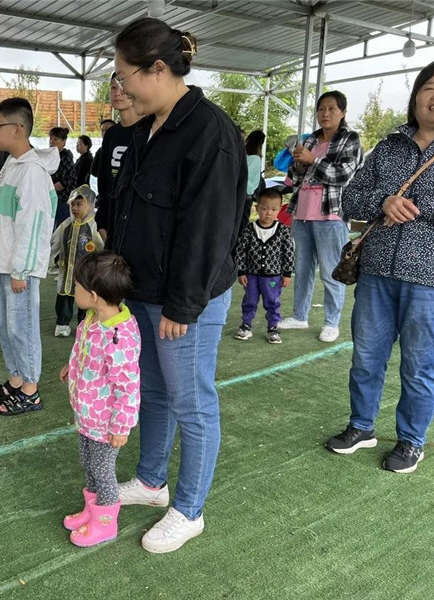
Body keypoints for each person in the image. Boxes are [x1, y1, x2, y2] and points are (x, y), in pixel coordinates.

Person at [108, 18, 246, 554]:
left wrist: (183, 305)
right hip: (144, 291)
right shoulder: (148, 127)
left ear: (158, 69)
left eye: (125, 77)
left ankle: (189, 510)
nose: (121, 89)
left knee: (192, 401)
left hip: (183, 299)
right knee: (155, 391)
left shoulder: (210, 132)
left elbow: (208, 229)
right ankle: (151, 482)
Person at [326, 60, 434, 474]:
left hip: (430, 280)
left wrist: (418, 206)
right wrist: (384, 202)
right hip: (375, 274)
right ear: (416, 96)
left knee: (420, 365)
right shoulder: (389, 146)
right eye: (429, 87)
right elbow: (351, 198)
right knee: (366, 357)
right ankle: (361, 426)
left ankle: (412, 441)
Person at [0, 97, 59, 415]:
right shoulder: (12, 166)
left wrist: (21, 270)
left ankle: (30, 390)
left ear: (18, 129)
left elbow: (33, 225)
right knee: (6, 326)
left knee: (22, 328)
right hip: (5, 264)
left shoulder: (32, 173)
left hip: (18, 269)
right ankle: (16, 379)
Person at [59, 251, 141, 547]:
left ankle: (105, 522)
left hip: (105, 424)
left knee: (103, 472)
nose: (74, 290)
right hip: (87, 416)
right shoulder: (92, 320)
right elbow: (86, 352)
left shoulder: (118, 337)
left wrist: (121, 427)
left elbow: (128, 386)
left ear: (93, 295)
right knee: (88, 464)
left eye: (77, 286)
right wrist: (73, 366)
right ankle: (91, 510)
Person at [278, 90, 363, 343]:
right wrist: (298, 162)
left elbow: (343, 175)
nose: (325, 113)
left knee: (330, 271)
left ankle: (331, 322)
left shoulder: (350, 139)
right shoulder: (311, 139)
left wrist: (312, 160)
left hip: (331, 216)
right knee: (302, 269)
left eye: (332, 109)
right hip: (302, 214)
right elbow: (294, 178)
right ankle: (300, 316)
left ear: (343, 112)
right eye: (321, 109)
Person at [233, 188, 295, 344]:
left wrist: (287, 274)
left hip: (273, 277)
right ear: (257, 208)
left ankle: (273, 328)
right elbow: (241, 251)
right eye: (265, 208)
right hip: (251, 276)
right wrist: (241, 271)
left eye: (273, 209)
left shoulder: (283, 231)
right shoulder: (249, 230)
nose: (269, 213)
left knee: (272, 302)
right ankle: (246, 325)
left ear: (279, 210)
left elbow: (288, 253)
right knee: (250, 300)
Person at [50, 184, 104, 337]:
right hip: (67, 272)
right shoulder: (66, 225)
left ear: (90, 205)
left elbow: (101, 248)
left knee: (85, 300)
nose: (75, 208)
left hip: (85, 274)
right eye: (72, 204)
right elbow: (54, 244)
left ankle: (84, 325)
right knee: (64, 297)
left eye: (79, 204)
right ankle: (62, 324)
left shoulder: (93, 226)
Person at [95, 73, 142, 241]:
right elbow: (104, 181)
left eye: (122, 87)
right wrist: (101, 221)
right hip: (111, 219)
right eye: (113, 87)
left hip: (136, 221)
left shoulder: (148, 131)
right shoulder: (111, 134)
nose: (117, 93)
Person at [49, 126, 77, 228]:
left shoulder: (66, 158)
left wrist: (49, 189)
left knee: (60, 230)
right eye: (50, 138)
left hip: (62, 200)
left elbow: (66, 181)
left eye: (56, 139)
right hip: (53, 199)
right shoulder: (51, 156)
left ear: (63, 142)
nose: (52, 142)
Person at [244, 130, 266, 223]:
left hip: (236, 191)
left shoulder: (242, 155)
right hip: (247, 193)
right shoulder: (256, 158)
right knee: (243, 220)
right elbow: (253, 180)